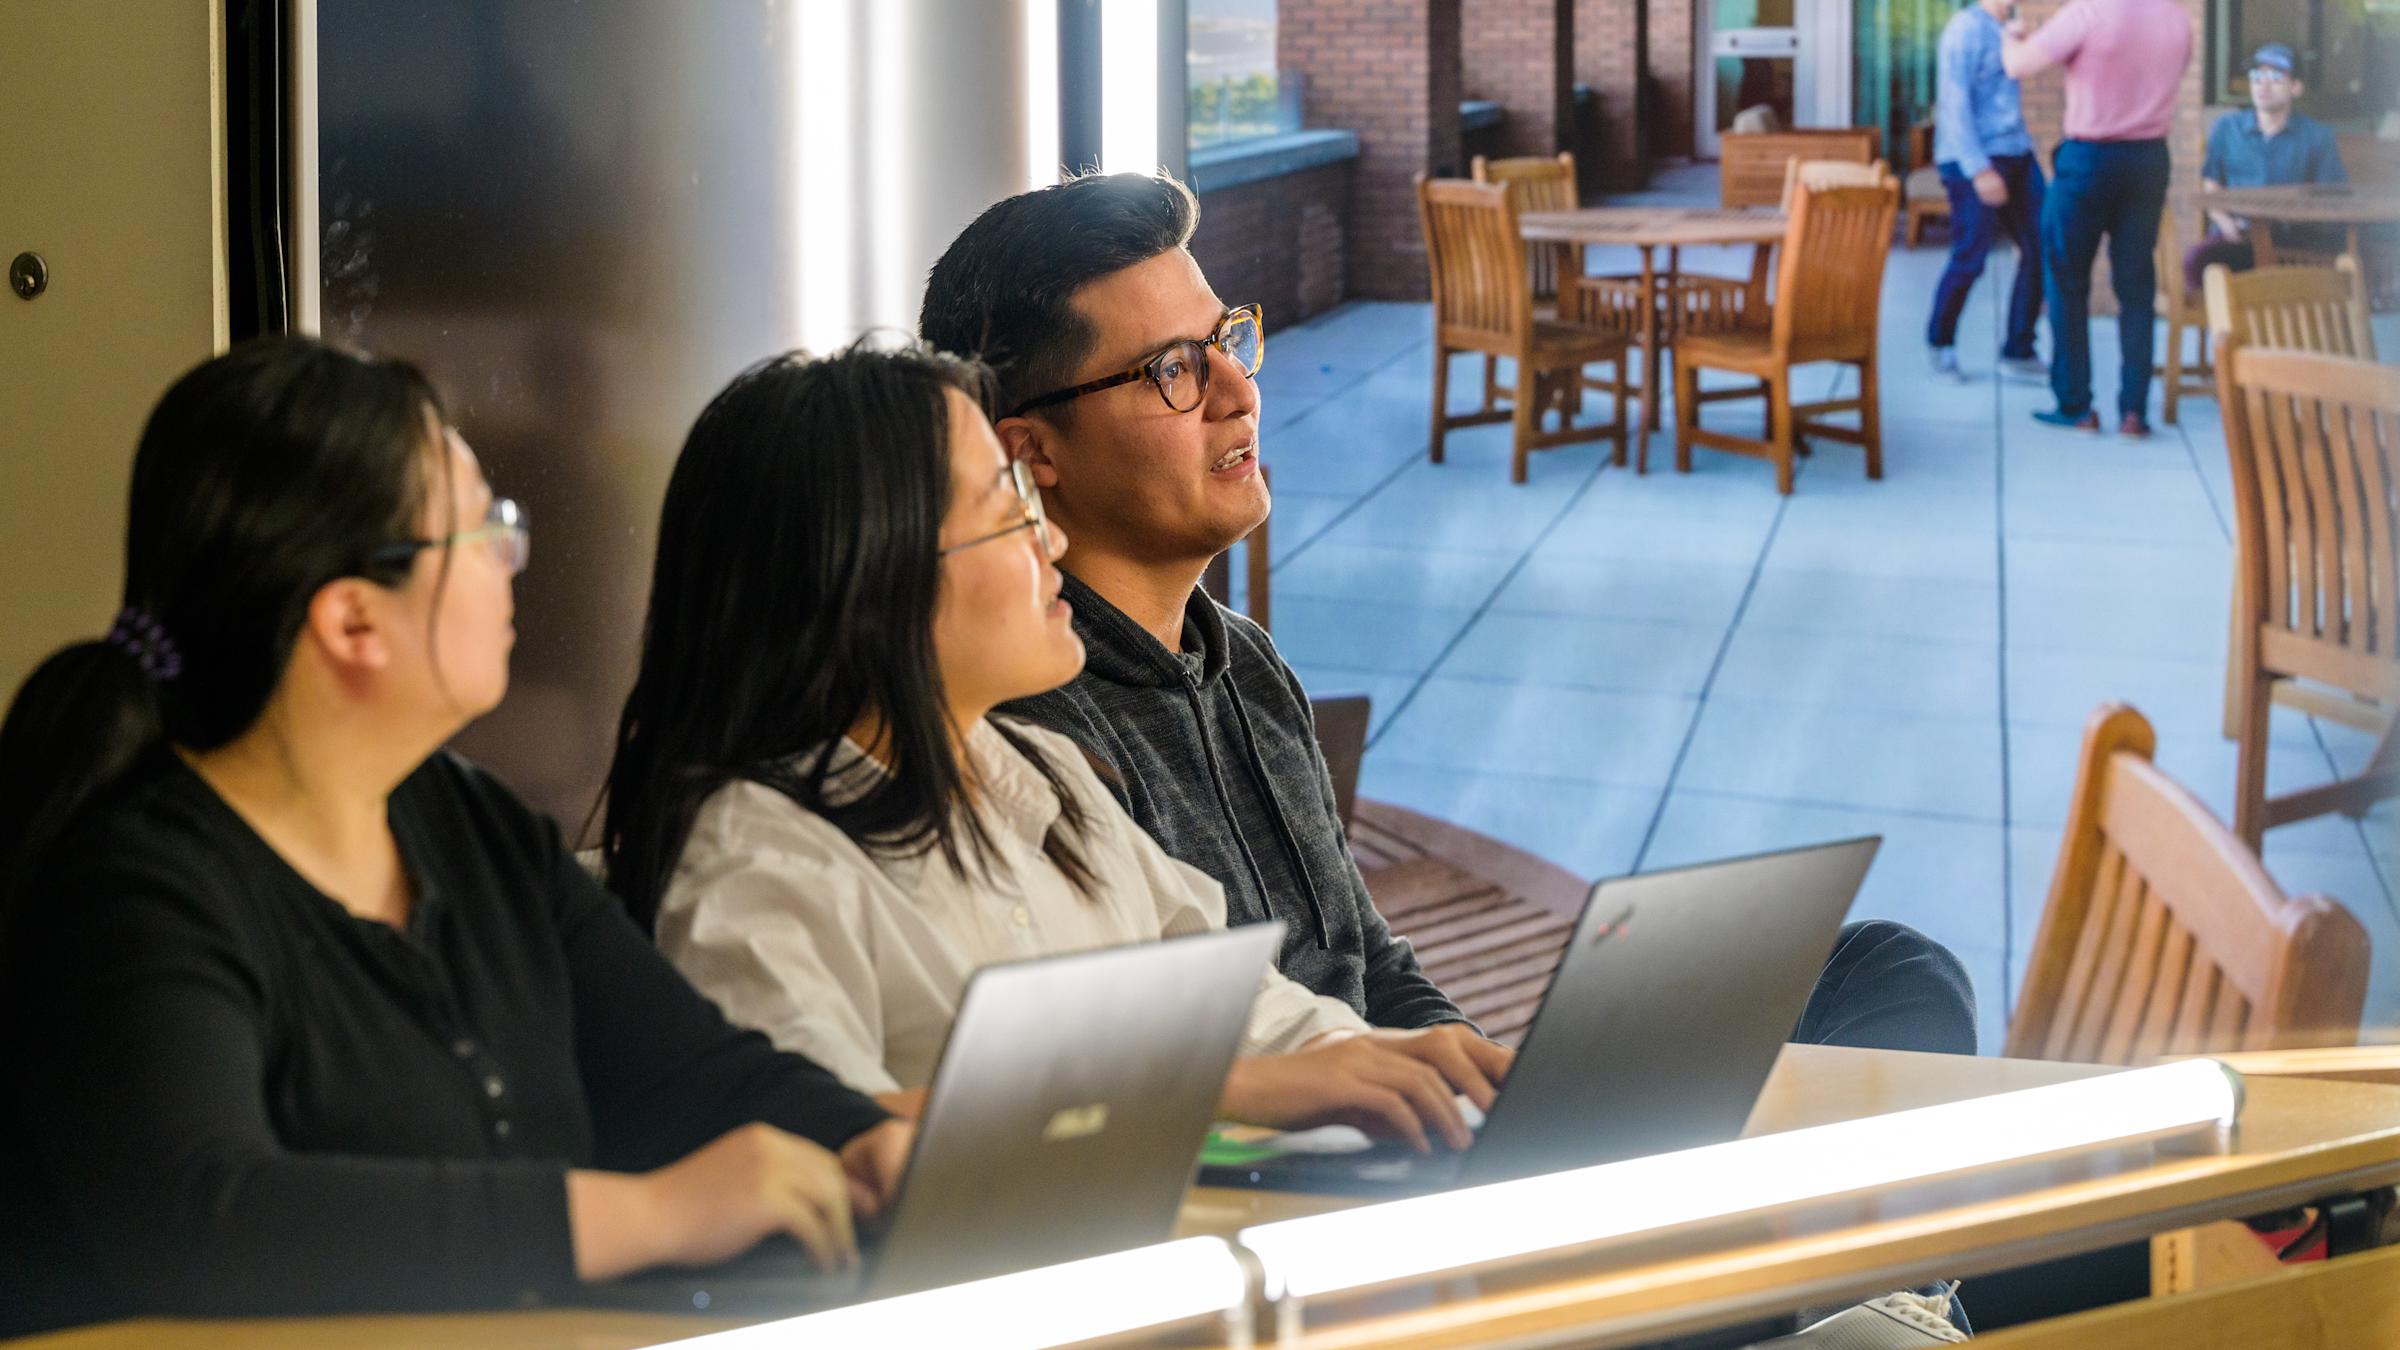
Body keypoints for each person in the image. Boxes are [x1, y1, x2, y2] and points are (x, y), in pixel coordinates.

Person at [916, 172, 1979, 1063]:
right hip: (1321, 1209)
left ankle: (1881, 1293)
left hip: (1424, 1135)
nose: (1239, 390)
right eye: (1175, 372)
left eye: (1226, 341)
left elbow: (1374, 963)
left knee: (1887, 967)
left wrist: (1470, 1075)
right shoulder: (1036, 743)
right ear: (1030, 452)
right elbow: (1155, 1095)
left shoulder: (1241, 660)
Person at [0, 338, 911, 1336]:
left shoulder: (472, 825)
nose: (512, 564)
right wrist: (643, 1215)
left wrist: (863, 1141)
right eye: (483, 533)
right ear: (354, 624)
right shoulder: (134, 886)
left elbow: (689, 1071)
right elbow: (211, 1219)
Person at [599, 343, 1511, 1155]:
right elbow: (821, 1148)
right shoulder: (758, 864)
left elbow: (1245, 1010)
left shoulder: (1041, 778)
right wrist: (1217, 1093)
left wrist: (1424, 1070)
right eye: (1011, 512)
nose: (1056, 539)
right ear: (870, 570)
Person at [2003, 0, 2195, 440]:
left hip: (2090, 158)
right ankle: (2134, 412)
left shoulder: (2088, 12)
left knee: (2066, 281)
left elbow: (2018, 66)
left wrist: (2010, 35)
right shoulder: (2177, 18)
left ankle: (2076, 405)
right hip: (2149, 160)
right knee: (2136, 285)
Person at [1926, 0, 2047, 384]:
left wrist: (2022, 44)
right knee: (1971, 257)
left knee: (2042, 246)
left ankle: (2018, 350)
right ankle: (1940, 342)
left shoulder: (2007, 27)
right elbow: (1953, 105)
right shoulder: (1964, 29)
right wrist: (1979, 170)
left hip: (2016, 152)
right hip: (1971, 157)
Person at [2185, 43, 2350, 292]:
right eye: (2256, 76)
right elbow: (2212, 186)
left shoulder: (2317, 136)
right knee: (2197, 261)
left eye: (2275, 77)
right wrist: (2225, 222)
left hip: (2294, 239)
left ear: (2296, 87)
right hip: (2237, 237)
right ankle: (2225, 330)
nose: (2263, 85)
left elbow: (2332, 196)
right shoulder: (2226, 129)